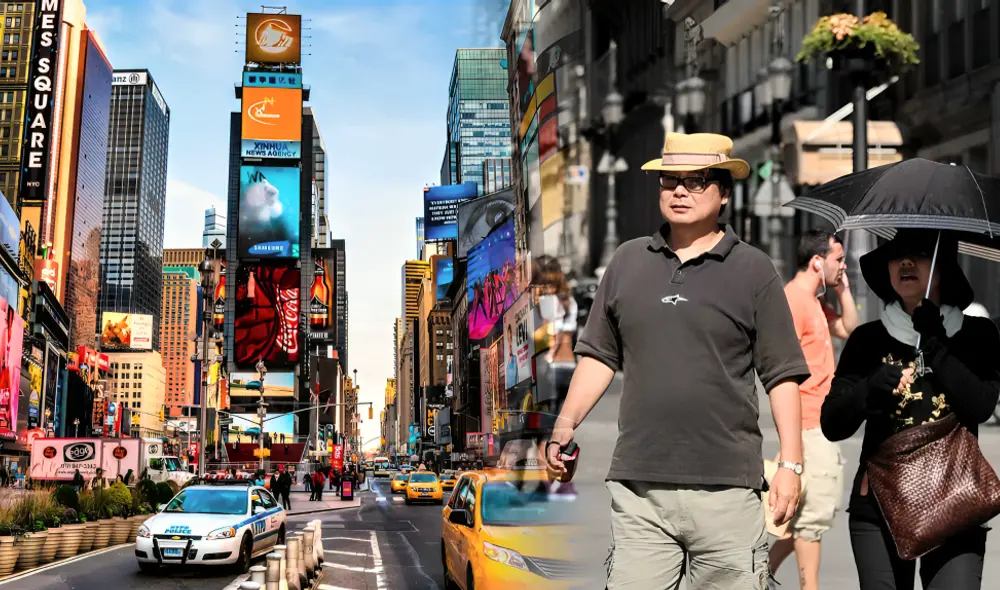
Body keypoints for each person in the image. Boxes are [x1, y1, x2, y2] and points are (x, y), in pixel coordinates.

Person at [546, 132, 809, 590]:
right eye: (670, 180)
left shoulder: (754, 270)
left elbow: (782, 374)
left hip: (728, 488)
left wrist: (792, 465)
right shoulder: (627, 262)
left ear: (724, 192)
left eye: (697, 180)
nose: (680, 190)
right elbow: (599, 356)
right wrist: (564, 424)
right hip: (639, 491)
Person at [821, 229, 1000, 590]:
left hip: (956, 497)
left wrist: (937, 347)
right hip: (879, 503)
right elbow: (832, 423)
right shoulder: (867, 339)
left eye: (918, 254)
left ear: (942, 266)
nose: (905, 262)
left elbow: (981, 405)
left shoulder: (977, 334)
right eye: (896, 255)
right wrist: (869, 387)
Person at [769, 230, 858, 590]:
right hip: (807, 425)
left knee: (798, 521)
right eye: (838, 260)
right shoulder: (793, 301)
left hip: (818, 424)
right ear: (817, 261)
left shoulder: (815, 302)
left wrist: (843, 288)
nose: (844, 266)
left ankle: (754, 578)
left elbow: (849, 327)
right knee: (811, 522)